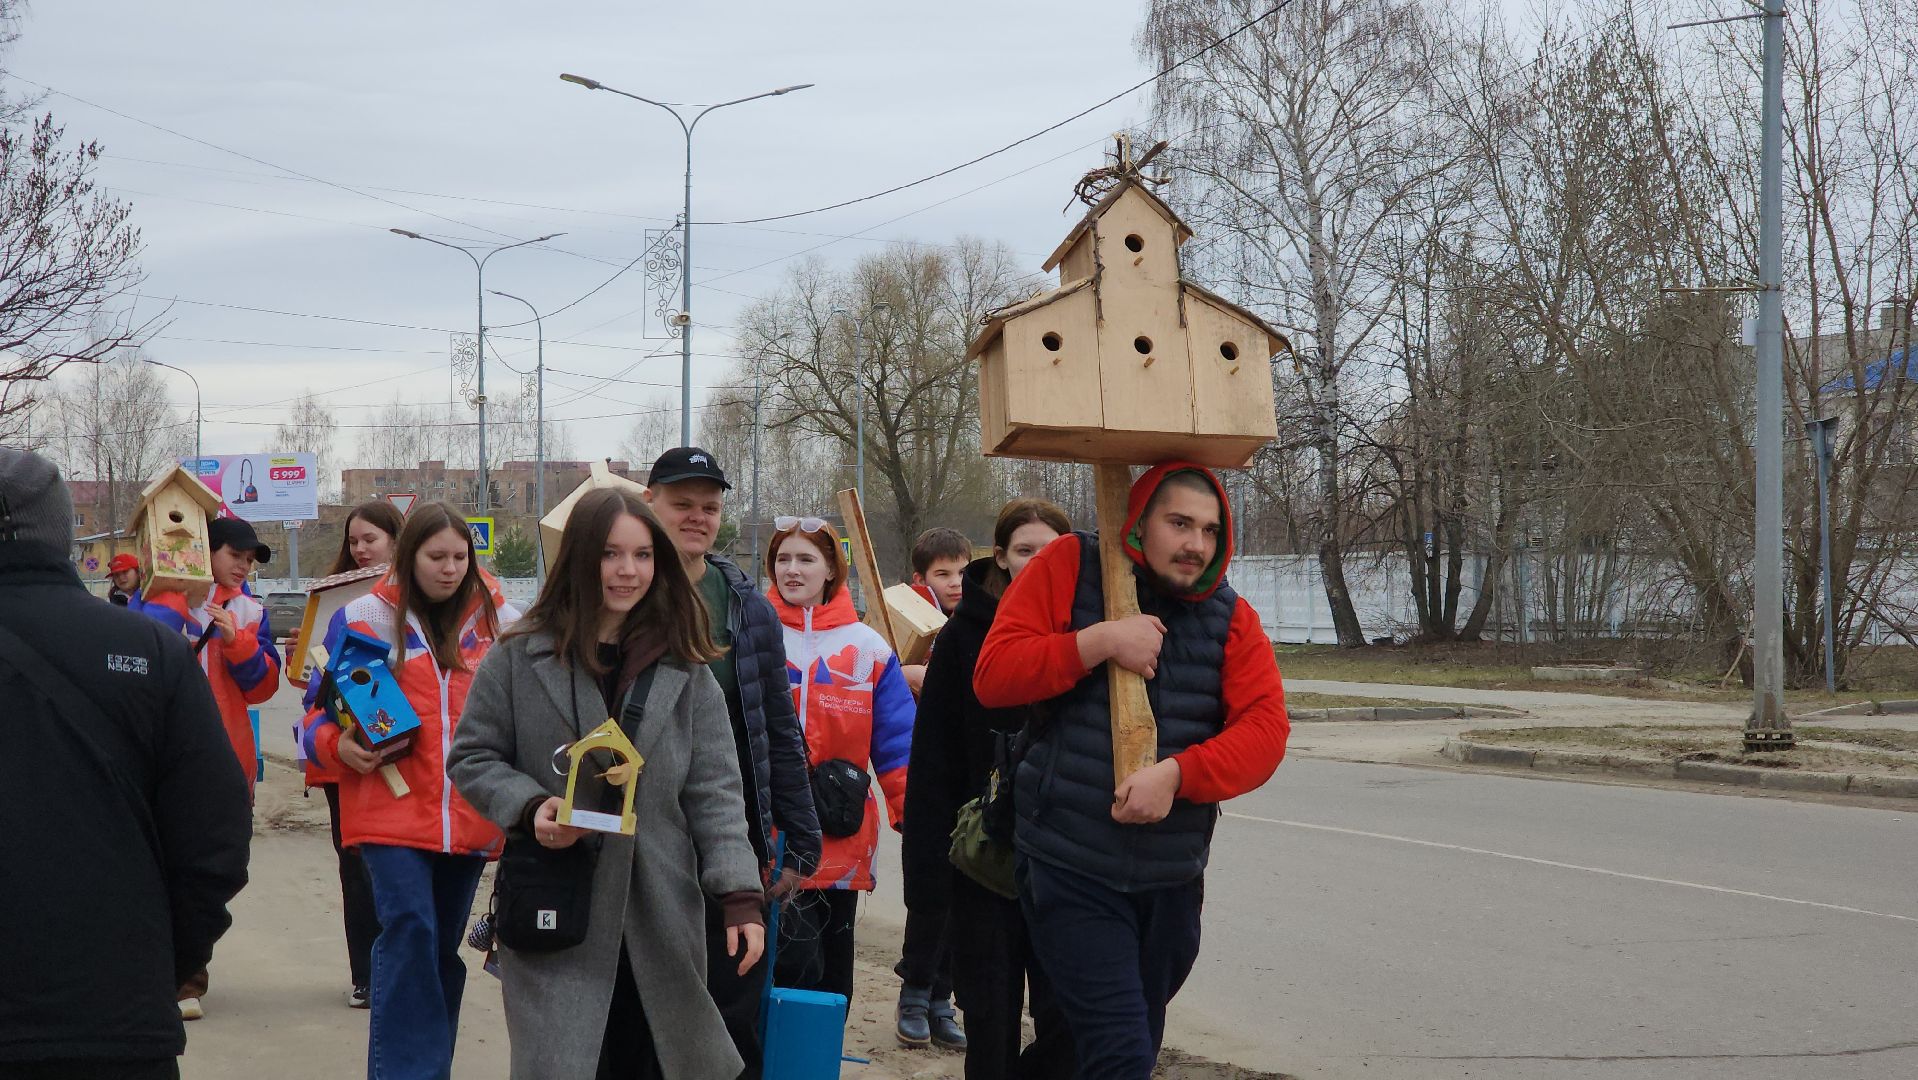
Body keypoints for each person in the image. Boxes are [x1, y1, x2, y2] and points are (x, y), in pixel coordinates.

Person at [973, 463, 1290, 1080]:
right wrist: (1098, 642)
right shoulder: (1070, 564)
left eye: (1209, 529)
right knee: (1121, 1056)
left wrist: (1177, 776)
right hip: (1070, 861)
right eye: (1179, 523)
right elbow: (994, 676)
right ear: (1140, 523)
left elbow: (1265, 731)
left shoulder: (1232, 618)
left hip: (1171, 879)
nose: (1196, 543)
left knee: (1109, 1047)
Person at [448, 488, 767, 1080]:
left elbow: (717, 795)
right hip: (556, 906)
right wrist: (530, 808)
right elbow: (472, 757)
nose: (628, 571)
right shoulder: (517, 658)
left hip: (660, 914)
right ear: (580, 558)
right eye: (611, 554)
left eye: (642, 555)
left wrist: (740, 896)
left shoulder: (687, 667)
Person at [0, 447, 250, 1080]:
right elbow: (215, 835)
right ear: (62, 532)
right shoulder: (150, 649)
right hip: (116, 1020)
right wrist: (166, 961)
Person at [298, 501, 516, 1080]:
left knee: (440, 949)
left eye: (460, 557)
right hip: (388, 811)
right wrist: (337, 746)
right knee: (410, 931)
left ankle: (428, 1069)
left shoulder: (500, 622)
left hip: (467, 816)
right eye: (436, 556)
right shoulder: (365, 616)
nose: (450, 568)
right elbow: (314, 717)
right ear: (409, 556)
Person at [642, 446, 822, 1078]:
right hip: (641, 832)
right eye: (682, 504)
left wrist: (800, 836)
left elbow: (777, 727)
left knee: (731, 996)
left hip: (732, 834)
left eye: (710, 507)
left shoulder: (747, 606)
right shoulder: (624, 593)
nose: (697, 517)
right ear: (649, 504)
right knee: (649, 1004)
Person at [902, 498, 1075, 1079]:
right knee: (990, 1021)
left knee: (1067, 1024)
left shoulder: (1088, 631)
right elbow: (933, 765)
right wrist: (928, 884)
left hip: (1066, 862)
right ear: (1000, 556)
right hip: (984, 864)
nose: (1039, 562)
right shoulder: (963, 638)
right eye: (1025, 550)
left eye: (1052, 550)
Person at [765, 515, 917, 1008]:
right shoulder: (754, 636)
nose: (792, 569)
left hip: (842, 832)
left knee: (833, 979)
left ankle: (818, 1049)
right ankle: (777, 1049)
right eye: (783, 559)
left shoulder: (868, 648)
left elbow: (897, 741)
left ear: (832, 569)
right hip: (770, 835)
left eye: (806, 559)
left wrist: (912, 814)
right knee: (790, 967)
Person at [138, 513, 282, 1019]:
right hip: (163, 758)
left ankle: (186, 967)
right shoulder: (158, 598)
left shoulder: (251, 611)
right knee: (159, 865)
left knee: (216, 870)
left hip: (228, 759)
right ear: (205, 550)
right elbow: (142, 659)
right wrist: (177, 604)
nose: (243, 566)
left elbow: (263, 687)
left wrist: (237, 641)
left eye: (250, 560)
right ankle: (180, 981)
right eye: (234, 555)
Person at [304, 498, 405, 1010]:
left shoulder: (417, 601)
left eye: (371, 539)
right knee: (357, 869)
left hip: (403, 754)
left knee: (399, 868)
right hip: (345, 761)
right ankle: (366, 974)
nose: (361, 549)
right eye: (354, 541)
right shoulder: (336, 603)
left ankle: (400, 967)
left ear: (397, 541)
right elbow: (312, 687)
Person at [891, 525, 972, 1046]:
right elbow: (877, 678)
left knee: (964, 895)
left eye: (962, 571)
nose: (956, 582)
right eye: (944, 573)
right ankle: (916, 991)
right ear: (921, 577)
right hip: (921, 774)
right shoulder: (906, 621)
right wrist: (904, 674)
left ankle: (943, 998)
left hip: (968, 771)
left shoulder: (974, 620)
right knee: (930, 892)